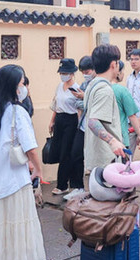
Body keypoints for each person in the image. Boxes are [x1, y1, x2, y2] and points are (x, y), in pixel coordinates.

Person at [0, 65, 54, 260]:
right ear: (13, 86)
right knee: (26, 234)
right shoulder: (18, 112)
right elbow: (30, 147)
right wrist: (39, 170)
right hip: (16, 184)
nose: (24, 87)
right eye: (22, 82)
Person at [84, 45, 126, 171]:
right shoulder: (104, 90)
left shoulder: (92, 84)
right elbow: (93, 121)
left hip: (96, 158)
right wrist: (113, 142)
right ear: (114, 64)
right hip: (106, 161)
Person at [48, 58, 84, 197]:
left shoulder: (77, 88)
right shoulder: (59, 86)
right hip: (60, 119)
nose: (63, 75)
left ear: (72, 73)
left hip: (71, 120)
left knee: (66, 152)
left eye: (66, 72)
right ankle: (64, 183)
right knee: (57, 150)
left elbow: (79, 108)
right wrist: (52, 121)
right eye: (61, 72)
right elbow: (56, 104)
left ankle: (62, 185)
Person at [62, 56, 94, 201]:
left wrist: (84, 97)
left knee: (94, 160)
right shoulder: (84, 84)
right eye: (83, 71)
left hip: (94, 127)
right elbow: (77, 104)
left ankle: (96, 189)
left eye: (87, 70)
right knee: (76, 154)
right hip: (82, 125)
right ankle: (78, 187)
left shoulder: (98, 84)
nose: (85, 74)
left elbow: (95, 102)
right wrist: (82, 98)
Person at [114, 61, 140, 150]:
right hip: (121, 135)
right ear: (117, 71)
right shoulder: (122, 90)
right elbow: (132, 115)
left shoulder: (96, 87)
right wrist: (139, 134)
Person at [126, 48, 140, 149]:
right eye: (131, 59)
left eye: (136, 59)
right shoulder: (129, 78)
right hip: (131, 119)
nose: (133, 62)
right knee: (129, 149)